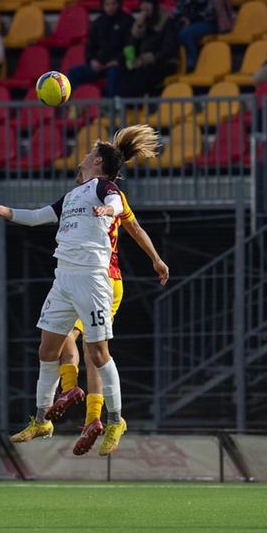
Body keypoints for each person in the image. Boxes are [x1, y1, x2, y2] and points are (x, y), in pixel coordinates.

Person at [0, 125, 161, 456]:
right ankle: (43, 419)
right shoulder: (73, 195)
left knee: (98, 353)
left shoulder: (104, 188)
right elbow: (35, 217)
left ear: (99, 162)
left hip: (92, 278)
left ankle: (116, 419)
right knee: (47, 350)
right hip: (63, 277)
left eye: (90, 153)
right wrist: (2, 210)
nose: (84, 157)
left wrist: (108, 210)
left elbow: (117, 203)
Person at [44, 187, 170, 456]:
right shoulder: (78, 198)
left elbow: (134, 227)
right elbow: (134, 228)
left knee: (95, 351)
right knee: (64, 336)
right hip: (82, 278)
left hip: (105, 280)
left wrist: (157, 259)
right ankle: (72, 393)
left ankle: (95, 417)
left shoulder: (109, 194)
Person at [66, 0, 132, 98]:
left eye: (113, 4)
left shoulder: (127, 21)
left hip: (116, 65)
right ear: (103, 6)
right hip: (98, 65)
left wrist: (117, 61)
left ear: (119, 4)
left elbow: (129, 46)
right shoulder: (98, 23)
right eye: (107, 4)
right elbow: (90, 46)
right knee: (73, 73)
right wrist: (92, 60)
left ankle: (109, 108)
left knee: (114, 74)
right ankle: (78, 103)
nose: (110, 7)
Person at [118, 0, 178, 98]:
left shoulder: (166, 22)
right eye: (143, 4)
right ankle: (121, 107)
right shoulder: (142, 22)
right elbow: (131, 45)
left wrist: (148, 58)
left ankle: (137, 106)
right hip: (142, 62)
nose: (145, 7)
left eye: (149, 3)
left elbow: (169, 49)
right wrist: (137, 29)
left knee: (141, 76)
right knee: (122, 71)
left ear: (155, 5)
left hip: (164, 63)